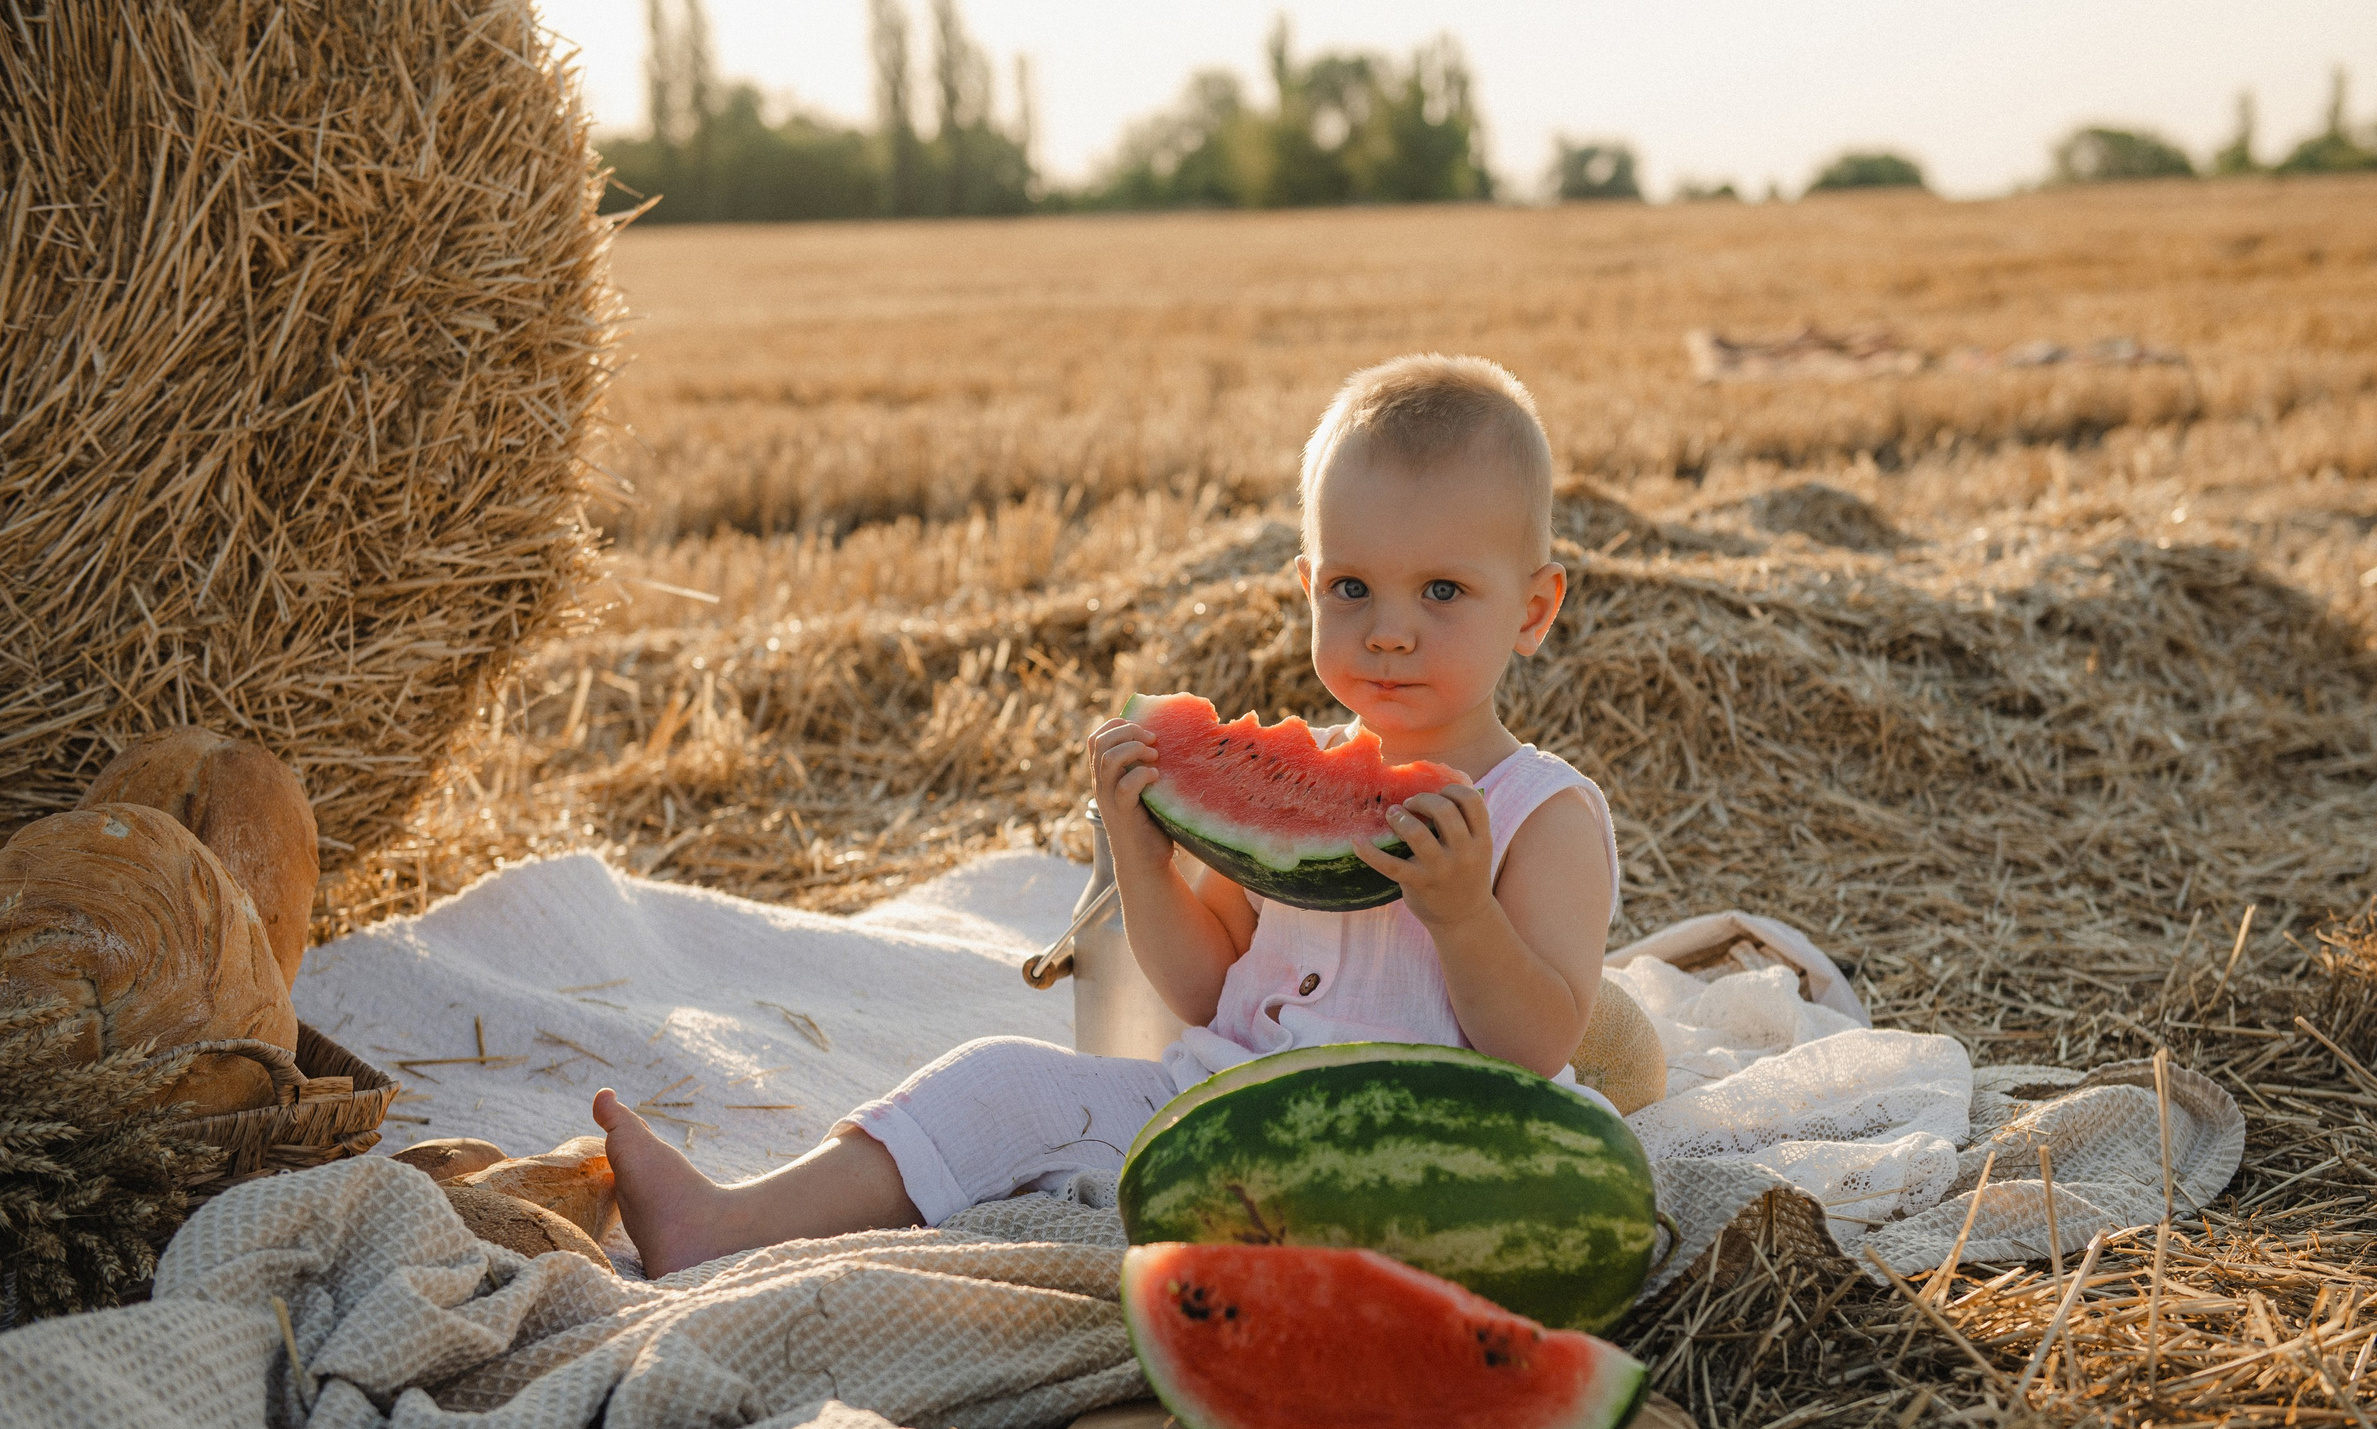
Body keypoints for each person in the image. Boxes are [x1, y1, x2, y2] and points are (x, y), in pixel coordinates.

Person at [600, 353, 1621, 1277]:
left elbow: (1536, 1045)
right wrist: (1141, 855)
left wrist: (1463, 916)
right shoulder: (1278, 803)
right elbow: (1204, 990)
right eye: (1351, 587)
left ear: (1533, 609)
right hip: (1214, 1112)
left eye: (1442, 590)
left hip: (1431, 1153)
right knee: (995, 1079)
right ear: (1307, 586)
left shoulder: (1545, 814)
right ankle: (729, 1220)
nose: (1389, 630)